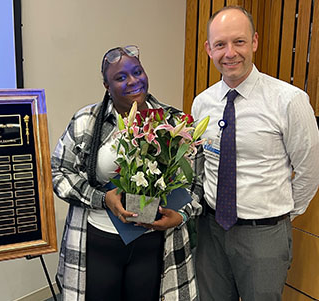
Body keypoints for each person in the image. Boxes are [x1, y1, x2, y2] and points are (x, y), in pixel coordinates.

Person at [51, 45, 201, 301]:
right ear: (106, 85)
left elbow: (196, 183)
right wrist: (102, 198)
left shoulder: (173, 122)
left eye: (137, 72)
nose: (133, 82)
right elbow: (60, 174)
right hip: (99, 242)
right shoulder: (86, 121)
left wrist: (182, 215)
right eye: (120, 77)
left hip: (154, 244)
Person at [191, 6, 319, 301]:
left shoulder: (289, 101)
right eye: (220, 44)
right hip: (210, 231)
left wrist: (277, 215)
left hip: (263, 236)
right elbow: (201, 166)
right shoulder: (202, 103)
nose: (230, 53)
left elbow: (309, 172)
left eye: (239, 41)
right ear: (209, 49)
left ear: (255, 43)